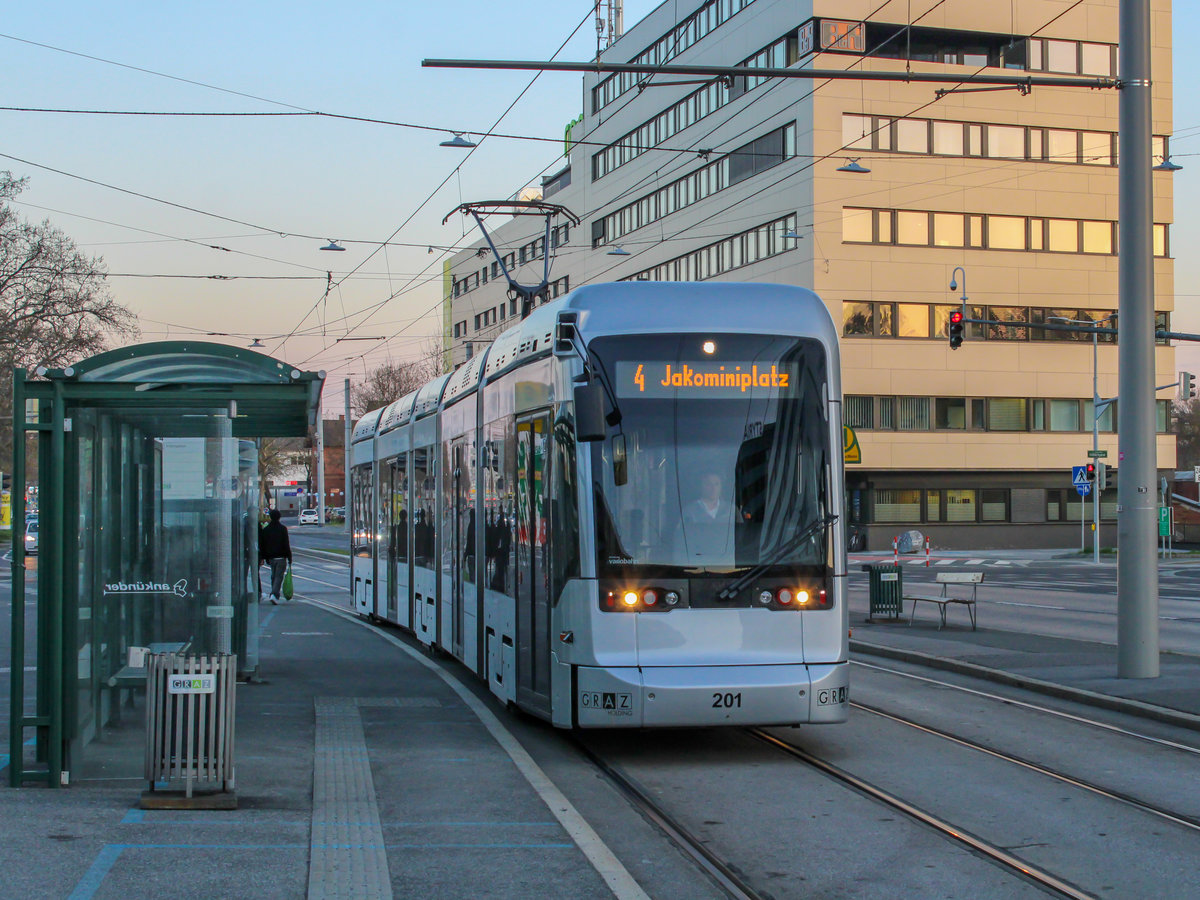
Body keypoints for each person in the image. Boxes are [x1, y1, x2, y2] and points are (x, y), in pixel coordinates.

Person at [259, 509, 293, 604]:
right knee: (278, 576)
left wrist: (264, 557)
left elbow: (263, 545)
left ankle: (274, 594)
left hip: (271, 557)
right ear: (279, 517)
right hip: (281, 557)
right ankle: (274, 594)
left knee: (274, 576)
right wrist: (289, 557)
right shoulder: (282, 529)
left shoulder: (266, 530)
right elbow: (286, 544)